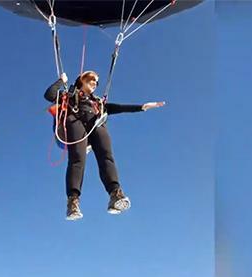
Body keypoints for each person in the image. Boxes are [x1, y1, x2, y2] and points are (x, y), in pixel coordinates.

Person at [44, 71, 165, 221]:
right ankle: (73, 202)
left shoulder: (98, 102)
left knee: (106, 156)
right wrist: (61, 81)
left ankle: (115, 195)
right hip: (76, 121)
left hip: (95, 125)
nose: (95, 82)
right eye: (91, 79)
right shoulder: (70, 95)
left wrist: (141, 107)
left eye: (96, 81)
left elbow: (118, 108)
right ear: (81, 80)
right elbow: (49, 95)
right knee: (77, 160)